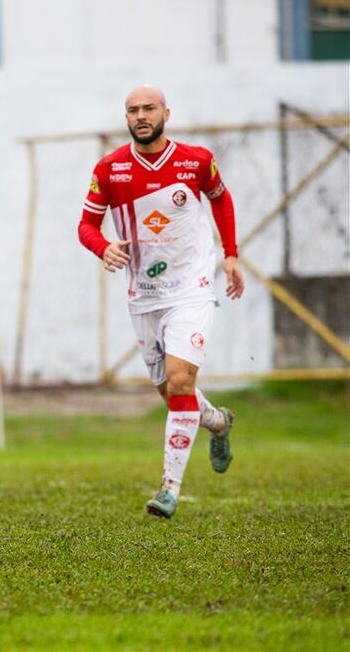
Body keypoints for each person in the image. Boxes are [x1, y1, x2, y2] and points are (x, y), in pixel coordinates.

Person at [78, 85, 244, 519]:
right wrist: (103, 248)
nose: (141, 115)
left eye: (149, 108)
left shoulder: (196, 161)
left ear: (166, 112)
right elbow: (86, 225)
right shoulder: (110, 169)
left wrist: (230, 254)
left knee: (180, 381)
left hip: (192, 287)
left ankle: (169, 488)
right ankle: (218, 422)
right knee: (171, 393)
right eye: (132, 110)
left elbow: (221, 199)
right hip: (144, 295)